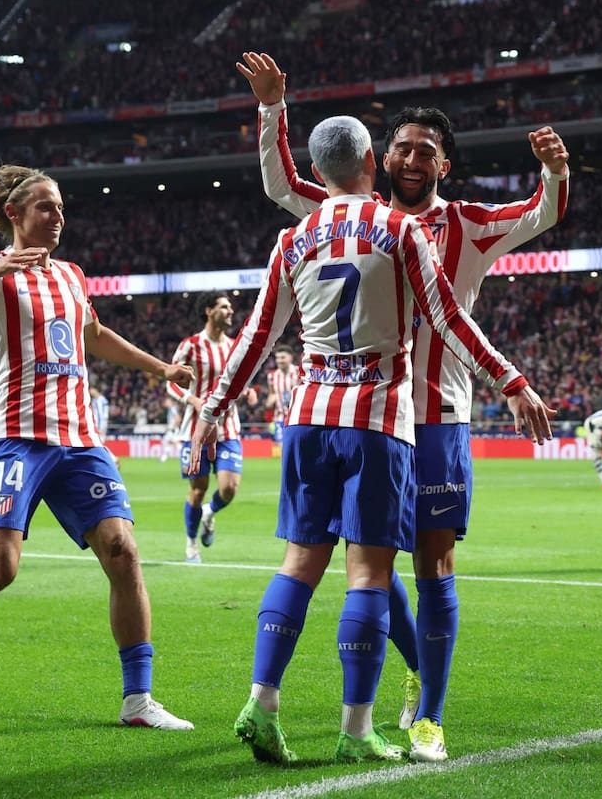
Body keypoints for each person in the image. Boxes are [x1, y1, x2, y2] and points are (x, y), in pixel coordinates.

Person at [189, 114, 555, 766]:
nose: (411, 158)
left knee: (352, 562)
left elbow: (256, 335)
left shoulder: (307, 236)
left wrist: (214, 406)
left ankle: (396, 714)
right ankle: (363, 722)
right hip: (381, 420)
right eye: (400, 148)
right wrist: (512, 378)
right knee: (372, 569)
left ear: (443, 165)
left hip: (374, 416)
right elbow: (447, 317)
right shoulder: (397, 229)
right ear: (375, 161)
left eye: (426, 150)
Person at [0, 164, 195, 731]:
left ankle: (138, 699)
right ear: (14, 215)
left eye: (61, 206)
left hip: (80, 441)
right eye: (45, 207)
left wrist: (160, 367)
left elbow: (93, 336)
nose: (58, 217)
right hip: (17, 441)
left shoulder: (72, 275)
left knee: (122, 551)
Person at [168, 291, 257, 563]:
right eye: (224, 306)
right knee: (197, 490)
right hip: (194, 431)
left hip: (228, 428)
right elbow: (170, 381)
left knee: (229, 488)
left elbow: (237, 382)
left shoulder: (233, 346)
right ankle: (191, 544)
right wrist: (193, 400)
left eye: (230, 307)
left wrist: (248, 391)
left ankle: (210, 513)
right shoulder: (191, 346)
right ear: (209, 311)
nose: (230, 311)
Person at [264, 343, 299, 446]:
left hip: (296, 417)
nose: (279, 360)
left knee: (295, 445)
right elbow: (272, 394)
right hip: (279, 417)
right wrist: (269, 402)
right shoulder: (272, 376)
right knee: (282, 447)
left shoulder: (299, 373)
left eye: (283, 357)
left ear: (291, 357)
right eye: (277, 358)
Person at [89, 384, 120, 466]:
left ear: (96, 390)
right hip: (104, 424)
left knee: (98, 443)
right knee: (100, 443)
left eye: (91, 389)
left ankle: (113, 459)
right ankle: (110, 459)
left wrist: (97, 427)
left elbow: (99, 415)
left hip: (100, 425)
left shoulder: (97, 400)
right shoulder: (104, 400)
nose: (90, 391)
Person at [160, 396, 183, 463]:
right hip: (171, 429)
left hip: (173, 430)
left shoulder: (173, 409)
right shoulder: (171, 409)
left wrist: (174, 427)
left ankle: (185, 455)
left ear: (170, 402)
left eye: (167, 401)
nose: (166, 403)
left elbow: (178, 418)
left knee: (175, 443)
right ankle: (163, 458)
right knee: (168, 443)